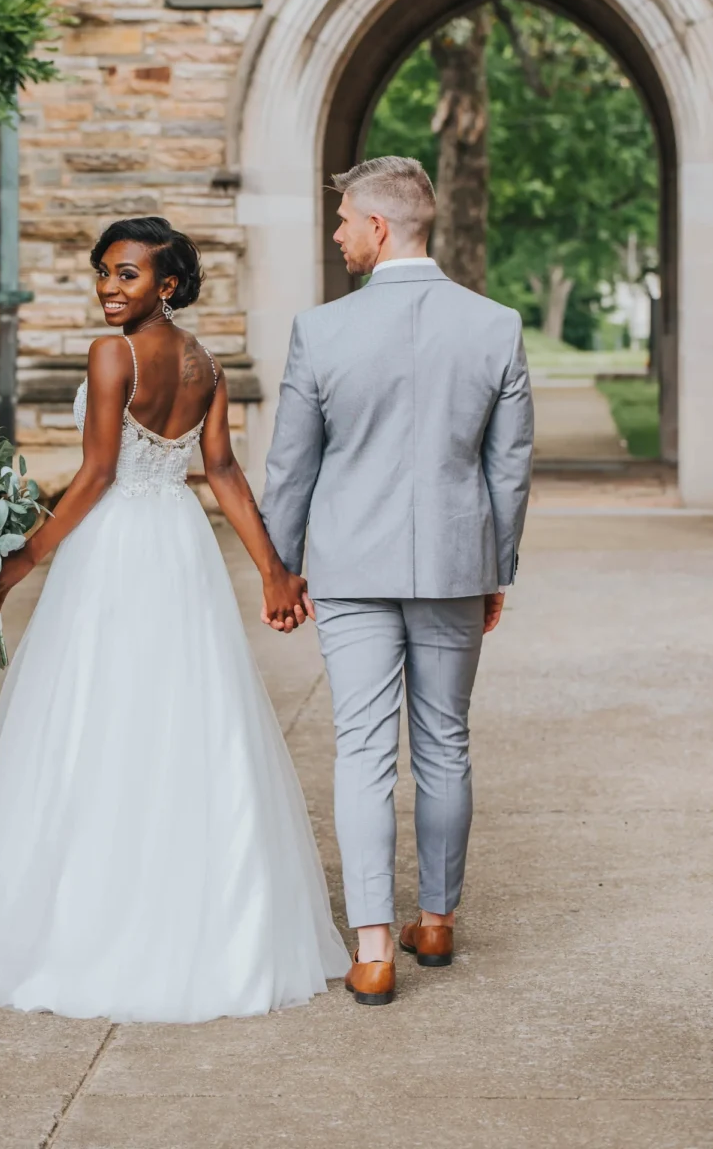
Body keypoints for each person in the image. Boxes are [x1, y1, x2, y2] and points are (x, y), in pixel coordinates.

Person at [0, 216, 349, 1023]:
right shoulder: (206, 364)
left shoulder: (111, 354)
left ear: (170, 285)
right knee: (180, 715)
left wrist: (19, 562)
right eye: (104, 274)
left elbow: (95, 475)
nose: (109, 289)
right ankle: (200, 918)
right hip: (178, 545)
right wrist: (272, 573)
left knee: (96, 714)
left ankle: (93, 923)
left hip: (115, 543)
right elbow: (218, 470)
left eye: (127, 275)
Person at [261, 157, 534, 1007]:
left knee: (362, 750)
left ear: (379, 227)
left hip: (350, 565)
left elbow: (290, 467)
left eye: (344, 219)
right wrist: (497, 569)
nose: (337, 233)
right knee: (445, 742)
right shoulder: (495, 326)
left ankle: (373, 949)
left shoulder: (321, 330)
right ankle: (438, 920)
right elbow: (510, 471)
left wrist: (281, 565)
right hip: (455, 560)